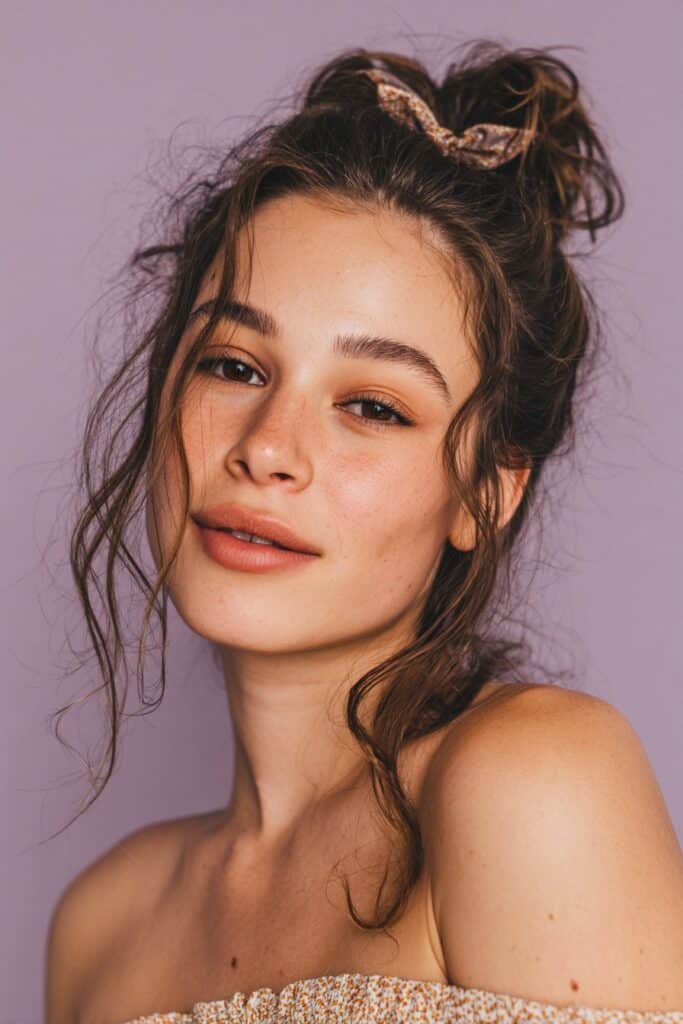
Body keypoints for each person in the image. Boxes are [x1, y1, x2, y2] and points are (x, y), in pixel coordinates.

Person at [44, 40, 683, 1024]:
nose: (266, 449)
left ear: (484, 493)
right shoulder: (100, 924)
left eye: (372, 407)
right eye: (235, 366)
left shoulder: (531, 781)